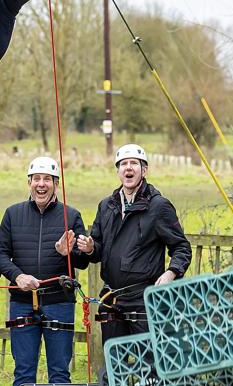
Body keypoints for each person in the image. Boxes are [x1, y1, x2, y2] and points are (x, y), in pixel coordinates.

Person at [77, 144, 192, 348]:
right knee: (114, 366)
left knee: (148, 367)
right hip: (112, 298)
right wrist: (90, 248)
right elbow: (98, 250)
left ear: (144, 170)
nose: (128, 168)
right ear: (118, 171)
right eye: (123, 164)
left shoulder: (159, 206)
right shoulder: (106, 205)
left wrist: (171, 273)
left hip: (144, 300)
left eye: (133, 163)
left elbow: (182, 248)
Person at [0, 156, 90, 386]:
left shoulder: (72, 215)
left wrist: (67, 253)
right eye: (36, 178)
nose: (41, 184)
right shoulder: (12, 214)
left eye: (47, 179)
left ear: (56, 183)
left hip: (60, 302)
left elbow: (83, 262)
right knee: (24, 373)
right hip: (22, 301)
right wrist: (17, 276)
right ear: (29, 182)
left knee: (59, 373)